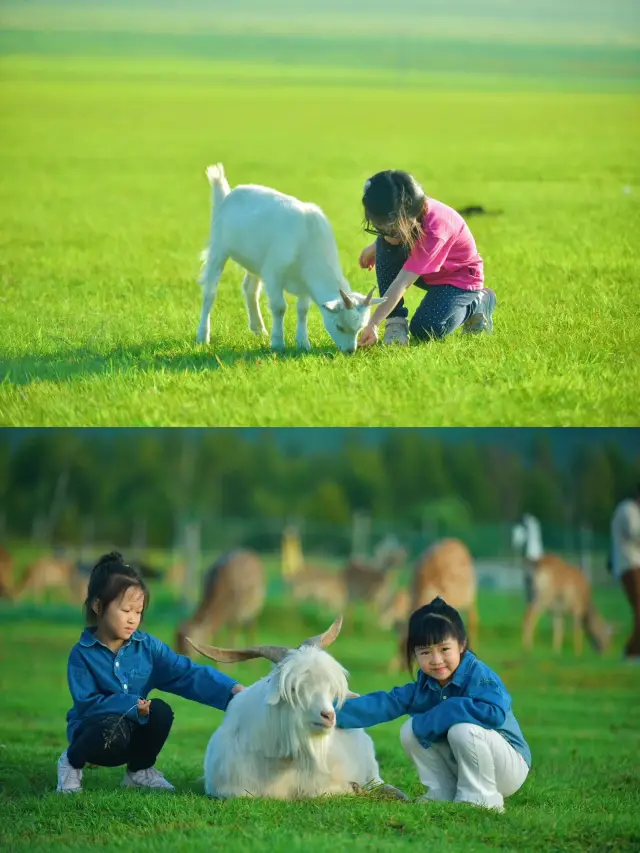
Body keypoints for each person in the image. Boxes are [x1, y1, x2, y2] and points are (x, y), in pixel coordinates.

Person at [56, 552, 245, 793]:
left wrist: (233, 692)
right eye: (125, 611)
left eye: (138, 612)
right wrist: (132, 705)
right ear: (98, 606)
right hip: (93, 732)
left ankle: (139, 771)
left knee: (161, 712)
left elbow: (187, 674)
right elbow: (87, 704)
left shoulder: (147, 648)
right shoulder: (82, 655)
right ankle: (71, 763)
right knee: (108, 730)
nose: (132, 620)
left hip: (131, 729)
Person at [336, 597, 530, 811]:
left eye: (444, 649)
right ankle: (441, 792)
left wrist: (446, 711)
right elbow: (385, 703)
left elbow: (494, 713)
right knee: (409, 730)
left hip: (509, 767)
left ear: (462, 644)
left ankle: (481, 799)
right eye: (425, 652)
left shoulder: (481, 676)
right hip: (468, 766)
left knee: (462, 730)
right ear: (414, 654)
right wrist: (330, 713)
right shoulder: (425, 686)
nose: (436, 659)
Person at [356, 170, 496, 347]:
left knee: (427, 329)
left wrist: (373, 323)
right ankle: (395, 323)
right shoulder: (407, 215)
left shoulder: (436, 229)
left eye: (391, 230)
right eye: (379, 229)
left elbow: (402, 282)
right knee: (386, 246)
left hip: (458, 279)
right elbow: (391, 239)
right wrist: (376, 246)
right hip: (429, 271)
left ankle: (477, 302)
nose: (386, 235)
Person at [610, 485, 640, 661]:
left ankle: (632, 651)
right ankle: (631, 653)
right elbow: (634, 532)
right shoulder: (627, 509)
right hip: (629, 565)